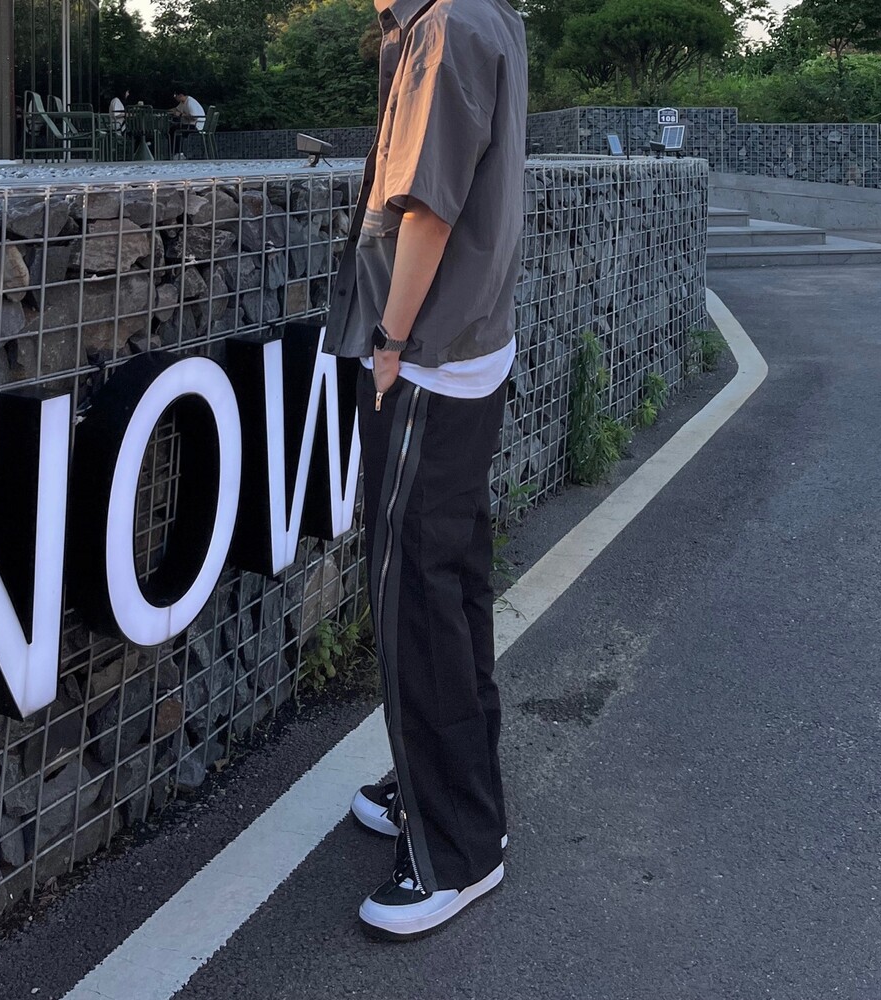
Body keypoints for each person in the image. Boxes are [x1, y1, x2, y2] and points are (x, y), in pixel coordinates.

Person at [323, 0, 528, 940]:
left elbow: (428, 207)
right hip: (469, 350)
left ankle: (456, 848)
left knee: (418, 599)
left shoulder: (445, 26)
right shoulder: (482, 13)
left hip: (431, 359)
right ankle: (452, 792)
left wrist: (389, 341)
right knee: (451, 585)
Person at [169, 85, 205, 157]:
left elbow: (194, 117)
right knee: (173, 129)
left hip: (197, 126)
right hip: (191, 124)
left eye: (175, 95)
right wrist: (170, 111)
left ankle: (178, 153)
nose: (174, 97)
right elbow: (177, 109)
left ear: (180, 95)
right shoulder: (183, 102)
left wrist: (180, 114)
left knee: (174, 130)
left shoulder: (190, 102)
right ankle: (176, 152)